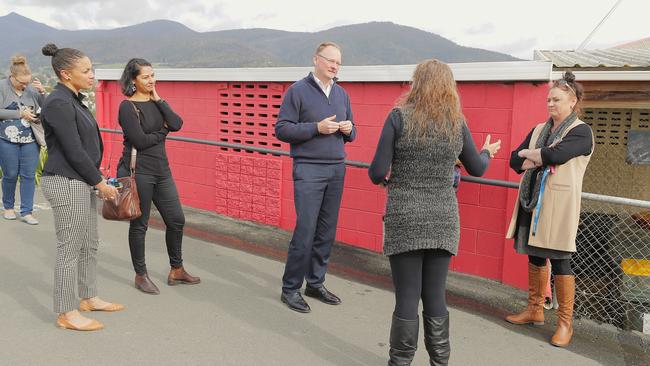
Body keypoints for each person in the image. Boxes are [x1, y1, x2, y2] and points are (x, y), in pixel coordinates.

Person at [369, 59, 501, 365]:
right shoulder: (457, 122)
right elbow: (478, 169)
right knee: (435, 297)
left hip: (405, 216)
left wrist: (387, 178)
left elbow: (376, 171)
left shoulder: (398, 117)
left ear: (417, 82)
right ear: (448, 87)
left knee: (406, 298)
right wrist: (486, 152)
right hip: (443, 217)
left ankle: (399, 362)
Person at [505, 71, 593, 348]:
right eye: (548, 100)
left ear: (573, 101)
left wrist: (534, 157)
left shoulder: (580, 131)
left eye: (556, 99)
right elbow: (513, 160)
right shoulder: (538, 130)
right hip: (533, 201)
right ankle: (535, 309)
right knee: (534, 256)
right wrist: (536, 157)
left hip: (558, 206)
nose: (550, 104)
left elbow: (556, 155)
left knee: (560, 259)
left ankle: (565, 323)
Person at [40, 43, 124, 331]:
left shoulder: (74, 99)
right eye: (86, 70)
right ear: (65, 74)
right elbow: (73, 150)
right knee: (69, 249)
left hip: (80, 180)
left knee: (89, 244)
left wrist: (95, 179)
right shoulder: (58, 103)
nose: (92, 75)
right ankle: (66, 312)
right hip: (65, 182)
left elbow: (85, 147)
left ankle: (88, 297)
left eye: (92, 69)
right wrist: (99, 182)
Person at [276, 42, 356, 313]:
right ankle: (290, 288)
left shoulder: (342, 94)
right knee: (306, 230)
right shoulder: (297, 91)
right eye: (330, 60)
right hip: (308, 169)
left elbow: (353, 134)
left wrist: (348, 128)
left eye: (339, 62)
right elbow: (282, 130)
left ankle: (315, 282)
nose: (335, 66)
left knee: (326, 231)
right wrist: (316, 128)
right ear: (316, 59)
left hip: (336, 169)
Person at [117, 58, 199, 295]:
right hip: (139, 171)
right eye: (145, 77)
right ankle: (141, 275)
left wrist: (159, 99)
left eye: (153, 75)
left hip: (162, 171)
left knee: (176, 220)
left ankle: (177, 269)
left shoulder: (156, 102)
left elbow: (177, 123)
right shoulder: (127, 106)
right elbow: (140, 141)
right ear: (133, 80)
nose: (151, 80)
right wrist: (163, 132)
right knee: (140, 224)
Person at [0, 55, 46, 225]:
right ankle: (9, 207)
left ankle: (27, 211)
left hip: (30, 139)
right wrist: (19, 114)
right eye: (21, 82)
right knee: (10, 174)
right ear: (12, 76)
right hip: (6, 139)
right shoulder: (2, 87)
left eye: (27, 82)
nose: (25, 86)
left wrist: (42, 93)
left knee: (28, 176)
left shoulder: (31, 89)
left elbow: (47, 108)